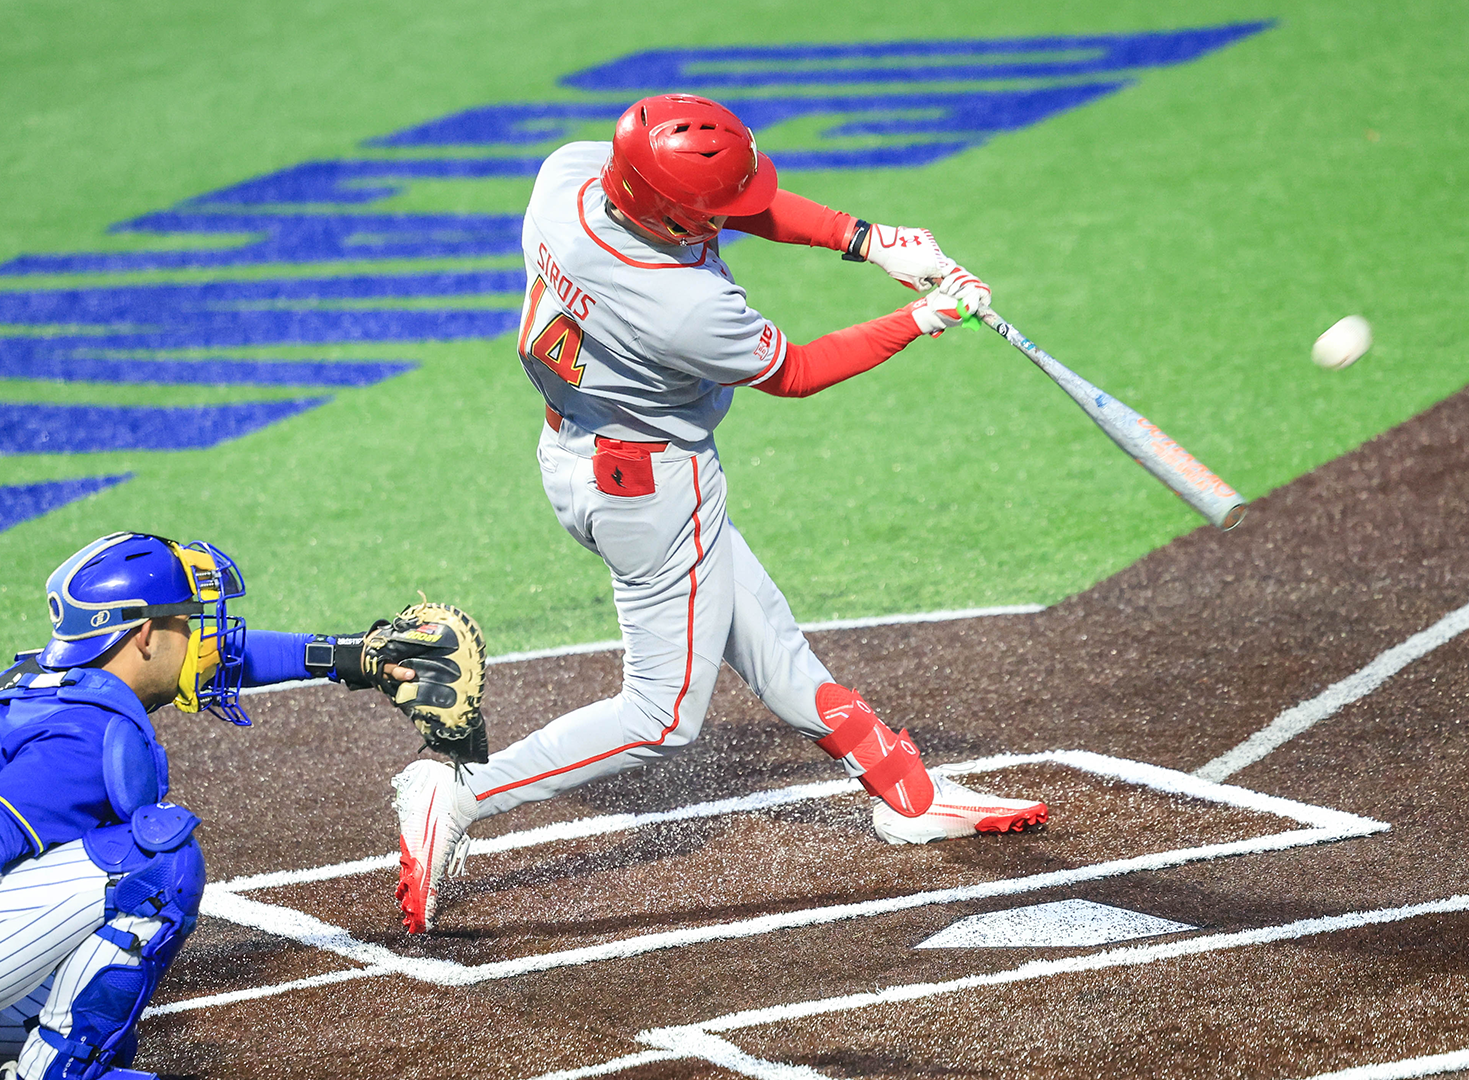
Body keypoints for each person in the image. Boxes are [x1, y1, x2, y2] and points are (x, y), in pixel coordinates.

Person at [391, 94, 1048, 935]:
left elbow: (731, 200)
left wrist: (866, 238)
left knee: (764, 634)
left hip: (577, 453)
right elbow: (800, 371)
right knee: (662, 715)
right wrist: (924, 315)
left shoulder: (570, 177)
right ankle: (459, 790)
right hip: (654, 487)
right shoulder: (685, 309)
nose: (728, 222)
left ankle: (903, 789)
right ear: (667, 216)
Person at [0, 532, 411, 1080]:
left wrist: (350, 657)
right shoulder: (87, 732)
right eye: (185, 618)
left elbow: (227, 658)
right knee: (157, 863)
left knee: (86, 1010)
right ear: (145, 636)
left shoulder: (53, 680)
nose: (201, 634)